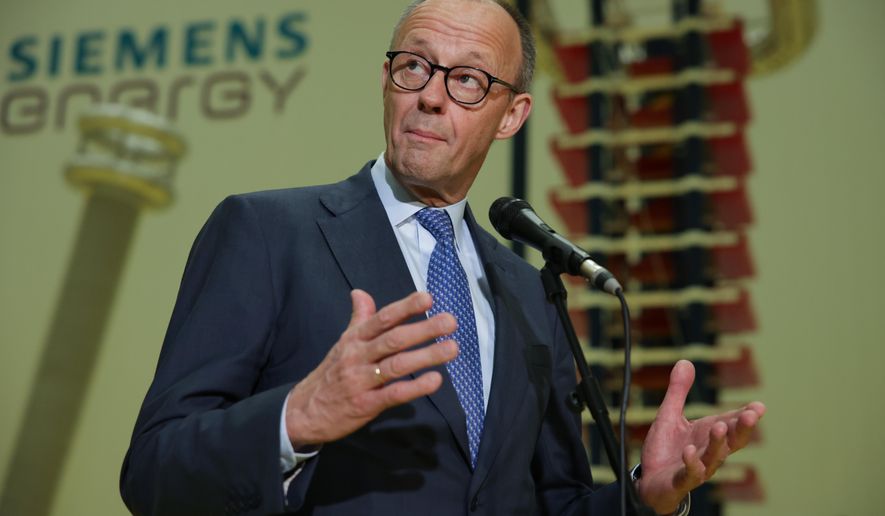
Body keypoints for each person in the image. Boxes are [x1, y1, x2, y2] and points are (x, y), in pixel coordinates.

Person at [120, 1, 766, 514]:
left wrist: (644, 496)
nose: (430, 96)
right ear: (386, 79)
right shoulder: (267, 231)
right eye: (414, 67)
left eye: (467, 80)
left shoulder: (526, 289)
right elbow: (152, 473)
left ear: (510, 115)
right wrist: (296, 419)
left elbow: (545, 501)